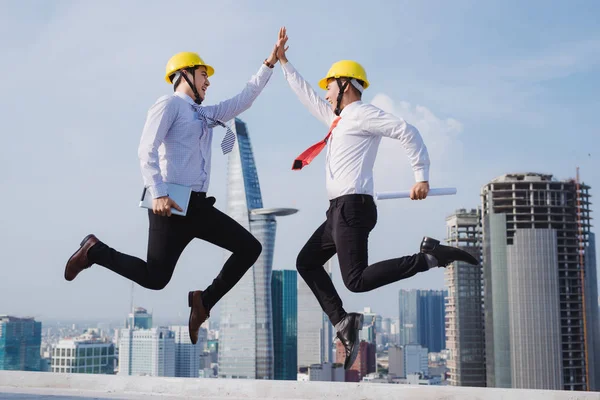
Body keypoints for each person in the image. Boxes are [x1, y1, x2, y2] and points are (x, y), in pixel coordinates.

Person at [275, 27, 478, 369]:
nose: (325, 93)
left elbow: (406, 131)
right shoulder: (339, 121)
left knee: (355, 280)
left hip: (352, 208)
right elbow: (308, 96)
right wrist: (284, 63)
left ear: (345, 85)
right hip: (337, 211)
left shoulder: (362, 114)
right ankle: (342, 322)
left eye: (330, 86)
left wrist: (421, 176)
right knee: (306, 262)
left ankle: (430, 258)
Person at [64, 44, 281, 345]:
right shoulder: (168, 105)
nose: (208, 81)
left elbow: (245, 98)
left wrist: (269, 63)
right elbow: (146, 149)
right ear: (185, 75)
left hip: (199, 207)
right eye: (204, 74)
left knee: (249, 248)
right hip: (171, 205)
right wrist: (158, 193)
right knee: (156, 279)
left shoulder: (206, 114)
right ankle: (93, 251)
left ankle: (203, 302)